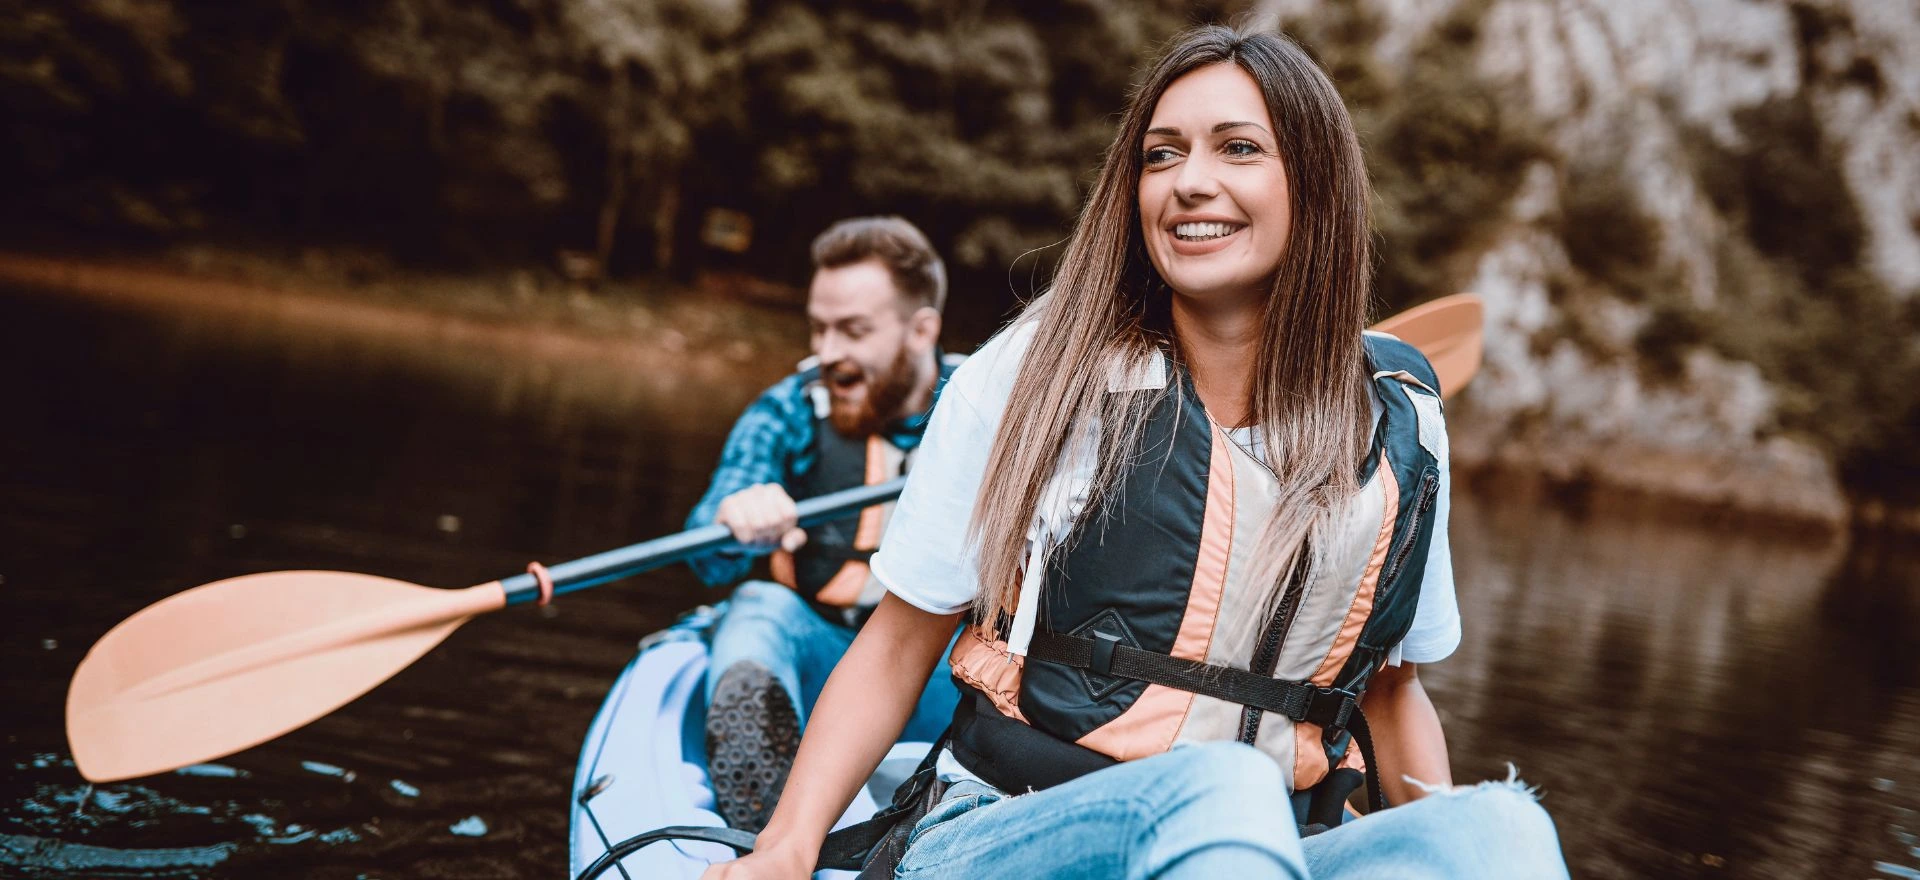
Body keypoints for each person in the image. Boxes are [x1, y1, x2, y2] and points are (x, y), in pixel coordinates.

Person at [706, 26, 1569, 880]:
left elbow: (1388, 693)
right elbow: (899, 645)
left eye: (1238, 149)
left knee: (1499, 828)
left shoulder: (1404, 420)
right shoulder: (1037, 371)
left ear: (1316, 186)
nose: (1190, 182)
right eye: (1161, 155)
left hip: (1280, 844)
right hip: (1009, 828)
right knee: (1219, 789)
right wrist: (787, 848)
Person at [686, 216, 963, 833]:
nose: (827, 352)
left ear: (922, 331)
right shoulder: (792, 405)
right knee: (757, 603)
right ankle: (768, 819)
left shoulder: (988, 406)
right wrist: (737, 513)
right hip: (824, 652)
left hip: (942, 671)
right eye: (819, 327)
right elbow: (707, 553)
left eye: (853, 331)